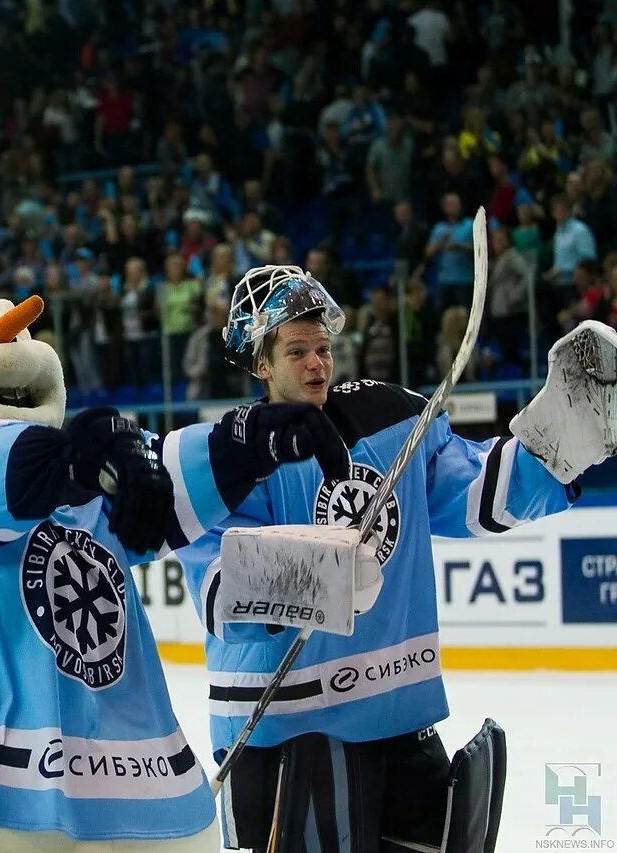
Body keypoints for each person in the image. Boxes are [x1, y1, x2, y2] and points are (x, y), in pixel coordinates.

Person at [0, 287, 350, 851]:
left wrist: (244, 443)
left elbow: (157, 479)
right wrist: (78, 454)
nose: (5, 348)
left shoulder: (66, 480)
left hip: (117, 791)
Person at [175, 264, 617, 851]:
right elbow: (219, 586)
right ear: (261, 363)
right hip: (283, 736)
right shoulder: (230, 455)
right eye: (297, 351)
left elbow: (473, 492)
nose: (317, 364)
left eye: (324, 348)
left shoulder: (389, 421)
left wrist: (555, 448)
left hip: (398, 717)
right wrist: (313, 581)